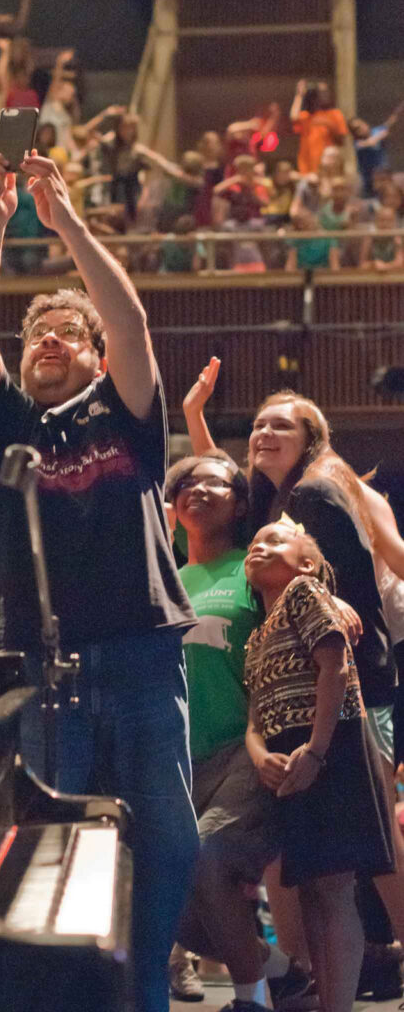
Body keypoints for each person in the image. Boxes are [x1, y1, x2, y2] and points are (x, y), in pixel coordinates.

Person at [0, 137, 199, 1012]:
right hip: (36, 668)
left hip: (136, 653)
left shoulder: (125, 416)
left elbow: (129, 323)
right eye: (36, 334)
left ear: (93, 354)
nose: (47, 340)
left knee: (166, 836)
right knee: (52, 845)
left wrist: (67, 223)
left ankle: (143, 988)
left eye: (65, 331)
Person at [183, 358, 404, 970]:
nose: (264, 434)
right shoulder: (277, 502)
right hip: (302, 697)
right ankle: (302, 972)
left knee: (376, 841)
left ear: (311, 440)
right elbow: (227, 494)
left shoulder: (315, 492)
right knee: (324, 854)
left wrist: (325, 590)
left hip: (355, 687)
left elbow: (345, 578)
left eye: (282, 425)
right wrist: (194, 419)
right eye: (258, 425)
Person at [165, 452, 323, 1012]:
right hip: (179, 756)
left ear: (238, 503)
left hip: (246, 748)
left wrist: (337, 604)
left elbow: (308, 597)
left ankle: (252, 1000)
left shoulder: (252, 568)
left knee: (207, 857)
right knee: (173, 894)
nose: (197, 489)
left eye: (214, 482)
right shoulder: (166, 578)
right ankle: (283, 973)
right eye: (186, 482)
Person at [244, 519, 394, 1012]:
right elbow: (254, 719)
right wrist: (262, 756)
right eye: (254, 543)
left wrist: (316, 751)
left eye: (274, 540)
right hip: (290, 757)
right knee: (310, 889)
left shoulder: (304, 593)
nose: (260, 547)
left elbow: (336, 666)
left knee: (332, 887)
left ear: (307, 562)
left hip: (331, 748)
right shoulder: (256, 637)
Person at [290, 80, 347, 176]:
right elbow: (293, 117)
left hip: (328, 168)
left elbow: (341, 142)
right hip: (307, 168)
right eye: (319, 93)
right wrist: (299, 95)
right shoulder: (306, 116)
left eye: (324, 92)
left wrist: (330, 125)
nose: (322, 95)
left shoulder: (335, 114)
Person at [349, 103, 404, 198]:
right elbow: (371, 142)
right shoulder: (358, 143)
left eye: (361, 124)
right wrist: (382, 134)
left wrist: (400, 109)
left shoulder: (376, 130)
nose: (362, 128)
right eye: (357, 129)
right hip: (369, 185)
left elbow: (392, 121)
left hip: (385, 177)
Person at [360, 206, 404, 271]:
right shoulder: (369, 239)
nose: (385, 224)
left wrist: (385, 266)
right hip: (373, 275)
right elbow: (362, 265)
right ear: (375, 222)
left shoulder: (397, 238)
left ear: (394, 222)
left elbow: (400, 263)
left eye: (389, 221)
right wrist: (374, 264)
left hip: (393, 276)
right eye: (381, 220)